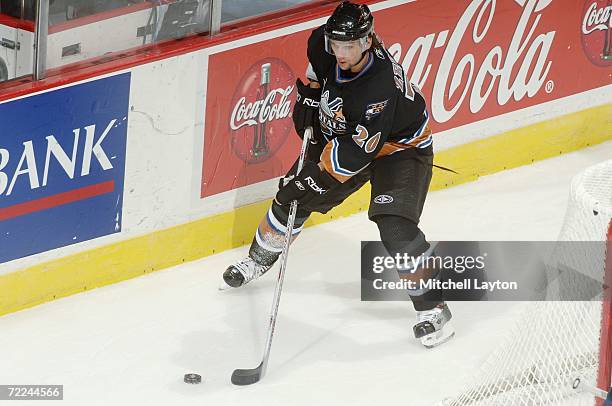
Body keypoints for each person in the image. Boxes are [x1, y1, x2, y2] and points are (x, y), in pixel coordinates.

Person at [222, 1, 454, 348]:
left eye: (349, 46)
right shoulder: (323, 43)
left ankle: (434, 309)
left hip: (400, 149)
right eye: (336, 45)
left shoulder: (378, 87)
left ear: (368, 42)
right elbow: (318, 70)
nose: (340, 53)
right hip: (347, 134)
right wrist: (311, 97)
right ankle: (256, 261)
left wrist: (310, 181)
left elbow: (358, 154)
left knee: (394, 224)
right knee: (290, 200)